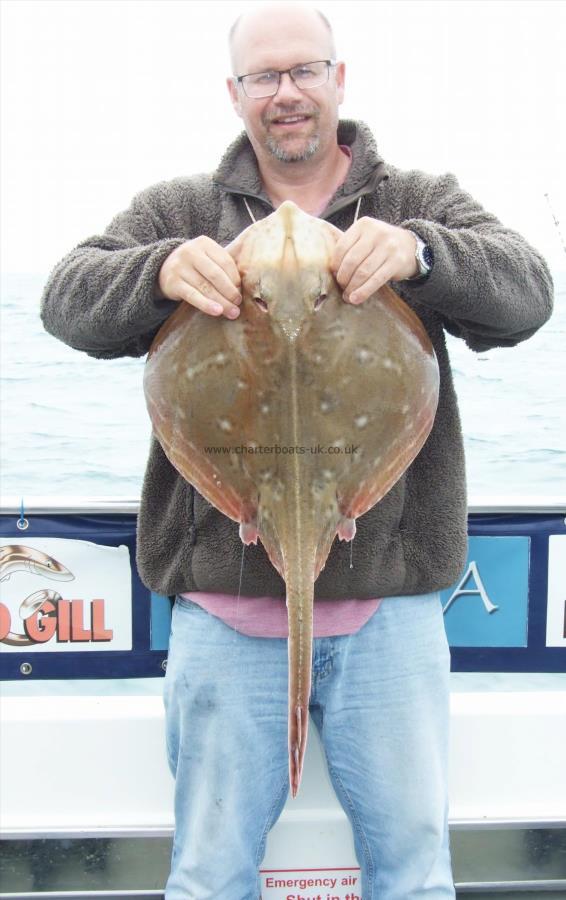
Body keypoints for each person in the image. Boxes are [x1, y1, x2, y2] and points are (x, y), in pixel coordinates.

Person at [40, 4, 553, 898]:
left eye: (304, 70)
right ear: (235, 94)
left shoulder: (415, 200)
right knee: (208, 872)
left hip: (390, 611)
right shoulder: (182, 209)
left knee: (414, 870)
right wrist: (157, 271)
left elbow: (529, 294)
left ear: (338, 78)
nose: (287, 92)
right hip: (224, 614)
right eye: (264, 77)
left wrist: (422, 256)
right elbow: (66, 299)